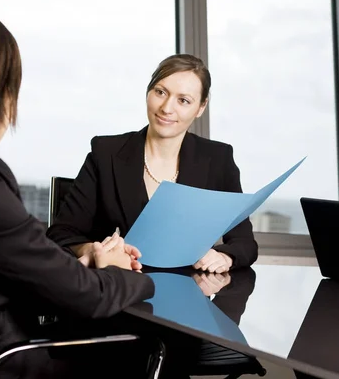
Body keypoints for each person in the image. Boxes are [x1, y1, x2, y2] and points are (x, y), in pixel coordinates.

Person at [0, 5, 154, 377]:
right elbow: (92, 298)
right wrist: (134, 277)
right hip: (9, 363)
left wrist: (79, 265)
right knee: (149, 349)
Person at [46, 54, 258, 272]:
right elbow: (62, 233)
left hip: (186, 295)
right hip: (117, 290)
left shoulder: (218, 159)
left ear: (201, 107)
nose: (167, 108)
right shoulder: (105, 152)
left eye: (183, 100)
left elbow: (244, 243)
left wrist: (225, 257)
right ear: (148, 92)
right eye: (160, 92)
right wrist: (92, 250)